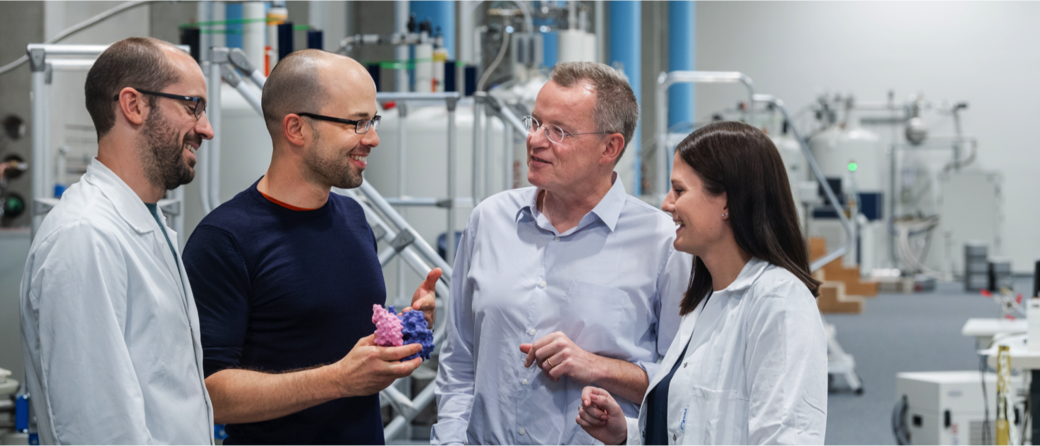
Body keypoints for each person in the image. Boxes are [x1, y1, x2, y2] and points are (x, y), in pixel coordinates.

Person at [181, 49, 439, 445]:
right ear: (296, 128)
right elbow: (208, 393)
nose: (372, 138)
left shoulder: (353, 219)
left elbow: (332, 333)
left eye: (373, 121)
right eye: (357, 123)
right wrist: (337, 380)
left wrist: (403, 327)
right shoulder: (225, 240)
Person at [433, 62, 692, 445]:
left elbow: (683, 388)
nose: (536, 140)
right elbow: (459, 361)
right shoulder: (489, 220)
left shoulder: (663, 243)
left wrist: (596, 367)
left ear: (610, 147)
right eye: (535, 122)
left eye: (558, 131)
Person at [576, 121, 829, 446]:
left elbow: (787, 437)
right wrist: (629, 433)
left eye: (679, 190)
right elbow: (692, 422)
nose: (667, 203)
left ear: (726, 202)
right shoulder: (705, 299)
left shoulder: (779, 302)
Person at [20, 37, 215, 445]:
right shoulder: (86, 237)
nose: (206, 129)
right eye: (193, 106)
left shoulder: (145, 221)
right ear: (134, 105)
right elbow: (100, 429)